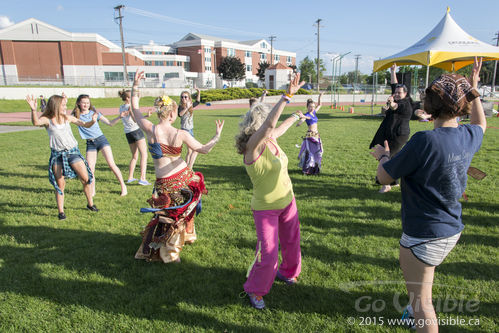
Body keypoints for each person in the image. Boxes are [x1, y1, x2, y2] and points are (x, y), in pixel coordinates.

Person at [370, 57, 486, 333]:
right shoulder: (468, 135)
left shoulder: (424, 140)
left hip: (424, 234)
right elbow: (480, 122)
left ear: (430, 106)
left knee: (422, 305)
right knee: (421, 296)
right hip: (450, 229)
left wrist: (384, 156)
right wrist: (473, 88)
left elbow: (384, 177)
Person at [131, 69, 224, 263]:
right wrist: (216, 136)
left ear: (159, 112)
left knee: (174, 211)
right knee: (180, 211)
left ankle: (180, 241)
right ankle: (172, 250)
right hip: (182, 177)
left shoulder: (150, 129)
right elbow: (204, 149)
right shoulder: (181, 133)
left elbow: (134, 109)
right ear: (173, 113)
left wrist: (135, 86)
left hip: (165, 181)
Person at [235, 73, 307, 309]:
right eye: (266, 120)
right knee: (267, 254)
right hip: (266, 209)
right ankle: (255, 290)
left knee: (292, 242)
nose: (270, 124)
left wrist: (297, 115)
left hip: (288, 202)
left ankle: (288, 272)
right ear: (257, 124)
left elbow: (279, 127)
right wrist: (286, 97)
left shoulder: (271, 140)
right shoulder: (253, 148)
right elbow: (270, 126)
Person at [26, 94, 99, 220]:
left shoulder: (67, 118)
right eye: (63, 105)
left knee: (86, 179)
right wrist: (33, 110)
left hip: (73, 152)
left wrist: (92, 121)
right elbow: (36, 122)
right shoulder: (47, 119)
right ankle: (61, 212)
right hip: (57, 155)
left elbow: (84, 124)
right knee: (60, 184)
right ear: (56, 106)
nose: (65, 107)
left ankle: (90, 204)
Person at [72, 94, 127, 197]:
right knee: (90, 168)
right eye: (83, 102)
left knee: (111, 164)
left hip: (101, 140)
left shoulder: (95, 113)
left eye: (88, 103)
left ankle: (123, 186)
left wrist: (120, 117)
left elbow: (110, 123)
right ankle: (92, 190)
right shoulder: (75, 115)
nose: (86, 105)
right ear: (79, 103)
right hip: (90, 143)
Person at [369, 63, 413, 193]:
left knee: (385, 156)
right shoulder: (398, 96)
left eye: (400, 93)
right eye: (396, 93)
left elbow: (395, 106)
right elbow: (394, 85)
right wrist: (393, 71)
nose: (397, 94)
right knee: (393, 157)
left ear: (405, 93)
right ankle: (395, 182)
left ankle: (386, 184)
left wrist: (391, 102)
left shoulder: (406, 103)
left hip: (399, 136)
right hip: (390, 132)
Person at [117, 89, 151, 186]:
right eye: (131, 96)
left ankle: (130, 177)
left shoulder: (121, 107)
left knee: (134, 156)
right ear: (128, 98)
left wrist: (146, 116)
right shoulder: (130, 107)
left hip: (128, 133)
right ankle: (142, 178)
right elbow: (136, 120)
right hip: (136, 131)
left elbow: (131, 119)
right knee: (144, 155)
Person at [297, 92, 324, 175]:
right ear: (307, 107)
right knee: (311, 153)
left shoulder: (314, 113)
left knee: (319, 152)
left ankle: (315, 169)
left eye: (313, 106)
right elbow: (304, 118)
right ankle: (308, 170)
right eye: (310, 107)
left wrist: (320, 96)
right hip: (310, 136)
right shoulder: (307, 114)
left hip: (316, 135)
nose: (312, 108)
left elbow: (320, 105)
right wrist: (300, 122)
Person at [178, 88, 201, 169]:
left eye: (185, 97)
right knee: (194, 149)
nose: (183, 98)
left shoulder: (191, 105)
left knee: (190, 150)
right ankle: (189, 167)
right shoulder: (181, 107)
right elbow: (180, 114)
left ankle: (187, 167)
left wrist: (199, 92)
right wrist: (186, 108)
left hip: (190, 130)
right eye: (182, 97)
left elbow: (197, 102)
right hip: (185, 130)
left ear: (189, 98)